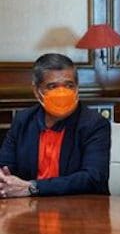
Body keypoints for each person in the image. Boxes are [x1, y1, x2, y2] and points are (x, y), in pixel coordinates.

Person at [0, 53, 110, 198]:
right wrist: (3, 180)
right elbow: (5, 166)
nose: (62, 93)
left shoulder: (94, 123)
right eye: (52, 86)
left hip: (79, 211)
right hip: (26, 208)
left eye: (69, 85)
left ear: (77, 88)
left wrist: (33, 188)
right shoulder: (23, 120)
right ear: (37, 91)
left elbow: (93, 178)